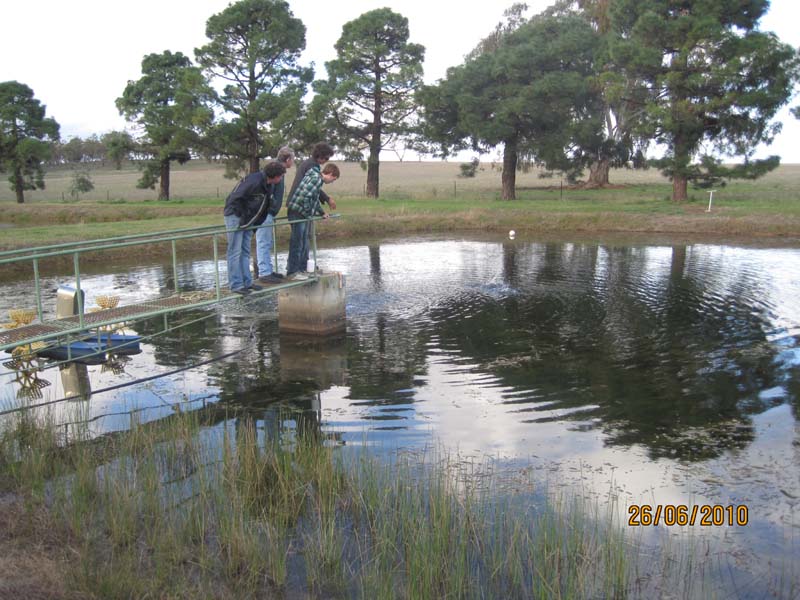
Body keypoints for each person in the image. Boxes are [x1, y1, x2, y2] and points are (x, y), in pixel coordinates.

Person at [223, 161, 286, 295]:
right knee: (234, 251)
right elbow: (235, 198)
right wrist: (241, 218)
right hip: (236, 216)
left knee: (245, 250)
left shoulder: (267, 185)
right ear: (274, 176)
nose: (281, 179)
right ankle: (236, 285)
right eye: (280, 176)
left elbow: (263, 206)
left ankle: (247, 282)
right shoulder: (254, 181)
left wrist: (253, 223)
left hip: (248, 219)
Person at [288, 142, 337, 273]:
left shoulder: (311, 166)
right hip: (298, 210)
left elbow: (313, 195)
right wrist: (309, 211)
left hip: (300, 209)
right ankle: (294, 271)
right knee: (298, 242)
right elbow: (308, 194)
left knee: (304, 240)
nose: (325, 161)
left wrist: (320, 211)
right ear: (320, 156)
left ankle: (303, 267)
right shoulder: (313, 168)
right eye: (326, 158)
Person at [255, 146, 294, 284]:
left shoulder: (276, 168)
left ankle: (268, 270)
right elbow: (268, 189)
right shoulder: (275, 170)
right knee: (263, 242)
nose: (293, 163)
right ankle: (265, 272)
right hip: (265, 213)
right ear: (288, 159)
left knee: (267, 242)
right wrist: (271, 205)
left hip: (269, 213)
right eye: (293, 160)